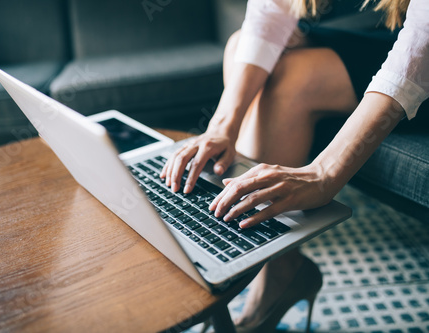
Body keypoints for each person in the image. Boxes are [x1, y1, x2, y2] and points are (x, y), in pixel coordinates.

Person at [160, 0, 429, 331]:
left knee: (293, 77)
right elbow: (270, 9)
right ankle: (279, 266)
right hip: (386, 32)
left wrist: (325, 174)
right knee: (240, 44)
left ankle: (275, 272)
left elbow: (422, 38)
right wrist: (221, 125)